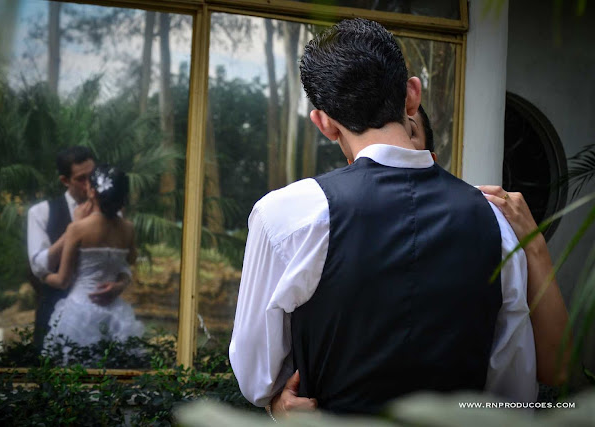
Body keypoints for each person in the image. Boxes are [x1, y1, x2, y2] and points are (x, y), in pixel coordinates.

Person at [230, 18, 537, 416]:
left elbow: (257, 374)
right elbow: (513, 387)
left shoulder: (287, 216)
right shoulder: (494, 220)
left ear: (324, 123)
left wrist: (276, 403)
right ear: (412, 96)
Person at [270, 106, 572, 418]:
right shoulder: (317, 227)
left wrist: (534, 245)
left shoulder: (491, 228)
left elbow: (553, 369)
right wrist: (278, 404)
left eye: (406, 127)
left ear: (429, 157)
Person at [28, 147, 127, 350]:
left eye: (92, 176)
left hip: (105, 318)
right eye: (81, 179)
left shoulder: (115, 216)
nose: (89, 184)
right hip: (54, 317)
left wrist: (121, 285)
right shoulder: (41, 212)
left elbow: (122, 264)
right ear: (65, 181)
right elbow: (39, 266)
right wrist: (74, 229)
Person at [42, 165, 144, 361]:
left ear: (92, 192)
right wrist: (120, 284)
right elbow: (129, 263)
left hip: (79, 312)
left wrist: (43, 275)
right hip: (115, 313)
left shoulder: (77, 229)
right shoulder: (128, 229)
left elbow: (62, 281)